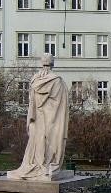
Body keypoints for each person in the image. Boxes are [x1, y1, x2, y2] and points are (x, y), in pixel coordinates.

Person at [7, 53, 69, 181]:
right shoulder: (58, 81)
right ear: (52, 64)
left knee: (36, 142)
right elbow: (61, 104)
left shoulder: (35, 80)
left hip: (37, 118)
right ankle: (46, 164)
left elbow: (32, 102)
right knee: (51, 141)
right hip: (52, 119)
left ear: (41, 63)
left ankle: (36, 164)